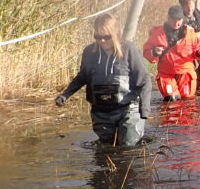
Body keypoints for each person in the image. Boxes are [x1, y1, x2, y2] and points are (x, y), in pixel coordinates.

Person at [55, 13, 151, 145]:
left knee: (128, 147)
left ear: (115, 33)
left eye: (106, 37)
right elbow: (82, 77)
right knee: (106, 148)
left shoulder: (129, 50)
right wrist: (65, 95)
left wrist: (144, 109)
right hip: (100, 111)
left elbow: (144, 80)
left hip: (127, 109)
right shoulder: (89, 52)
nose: (102, 41)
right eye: (98, 37)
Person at [143, 5, 200, 100]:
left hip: (186, 74)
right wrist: (154, 52)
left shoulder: (190, 32)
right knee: (171, 100)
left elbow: (197, 49)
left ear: (182, 19)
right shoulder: (157, 33)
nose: (176, 23)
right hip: (166, 74)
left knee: (187, 100)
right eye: (173, 19)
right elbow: (147, 52)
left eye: (179, 20)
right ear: (168, 18)